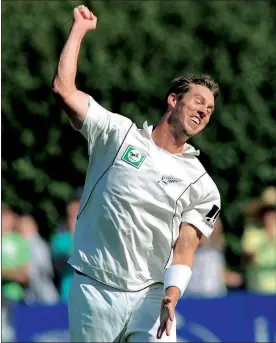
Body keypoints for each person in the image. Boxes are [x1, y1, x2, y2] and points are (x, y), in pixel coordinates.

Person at [52, 5, 221, 342]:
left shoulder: (203, 185)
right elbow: (64, 89)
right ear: (173, 100)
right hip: (94, 289)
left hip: (152, 296)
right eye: (199, 101)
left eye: (210, 109)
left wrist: (172, 295)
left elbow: (186, 247)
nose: (204, 110)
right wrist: (79, 30)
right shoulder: (117, 134)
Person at [185, 218, 242, 297]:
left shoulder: (218, 248)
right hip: (194, 294)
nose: (218, 228)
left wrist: (228, 277)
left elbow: (216, 269)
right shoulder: (192, 245)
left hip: (216, 293)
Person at [15, 215, 59, 304]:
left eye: (24, 226)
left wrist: (23, 272)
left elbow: (43, 268)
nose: (21, 229)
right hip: (32, 295)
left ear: (33, 226)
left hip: (43, 295)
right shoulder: (25, 244)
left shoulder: (38, 245)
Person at [242, 186, 276, 294]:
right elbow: (249, 257)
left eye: (273, 210)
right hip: (258, 290)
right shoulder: (252, 233)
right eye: (267, 211)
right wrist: (267, 238)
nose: (270, 214)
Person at [51, 188, 81, 302]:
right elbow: (61, 264)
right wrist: (74, 231)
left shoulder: (93, 236)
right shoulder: (60, 239)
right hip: (68, 294)